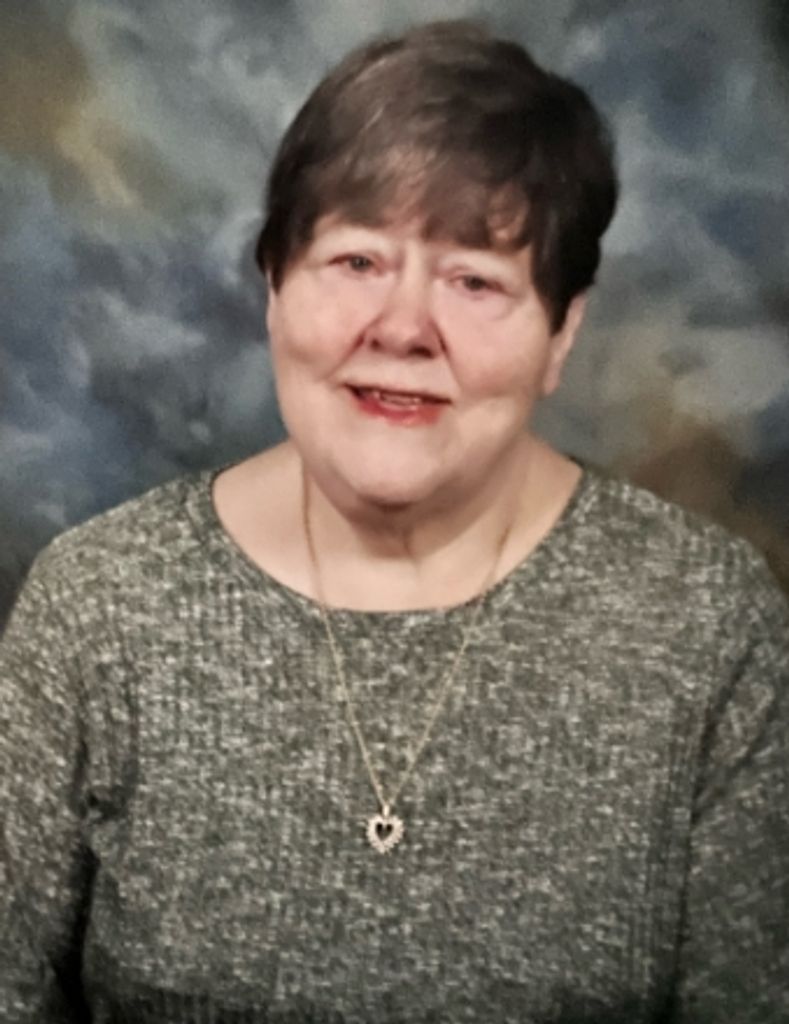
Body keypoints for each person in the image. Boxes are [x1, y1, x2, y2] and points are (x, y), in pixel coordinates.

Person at [1, 18, 787, 1024]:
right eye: (358, 261)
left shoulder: (704, 623)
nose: (405, 326)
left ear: (562, 333)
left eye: (475, 279)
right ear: (274, 284)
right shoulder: (98, 606)